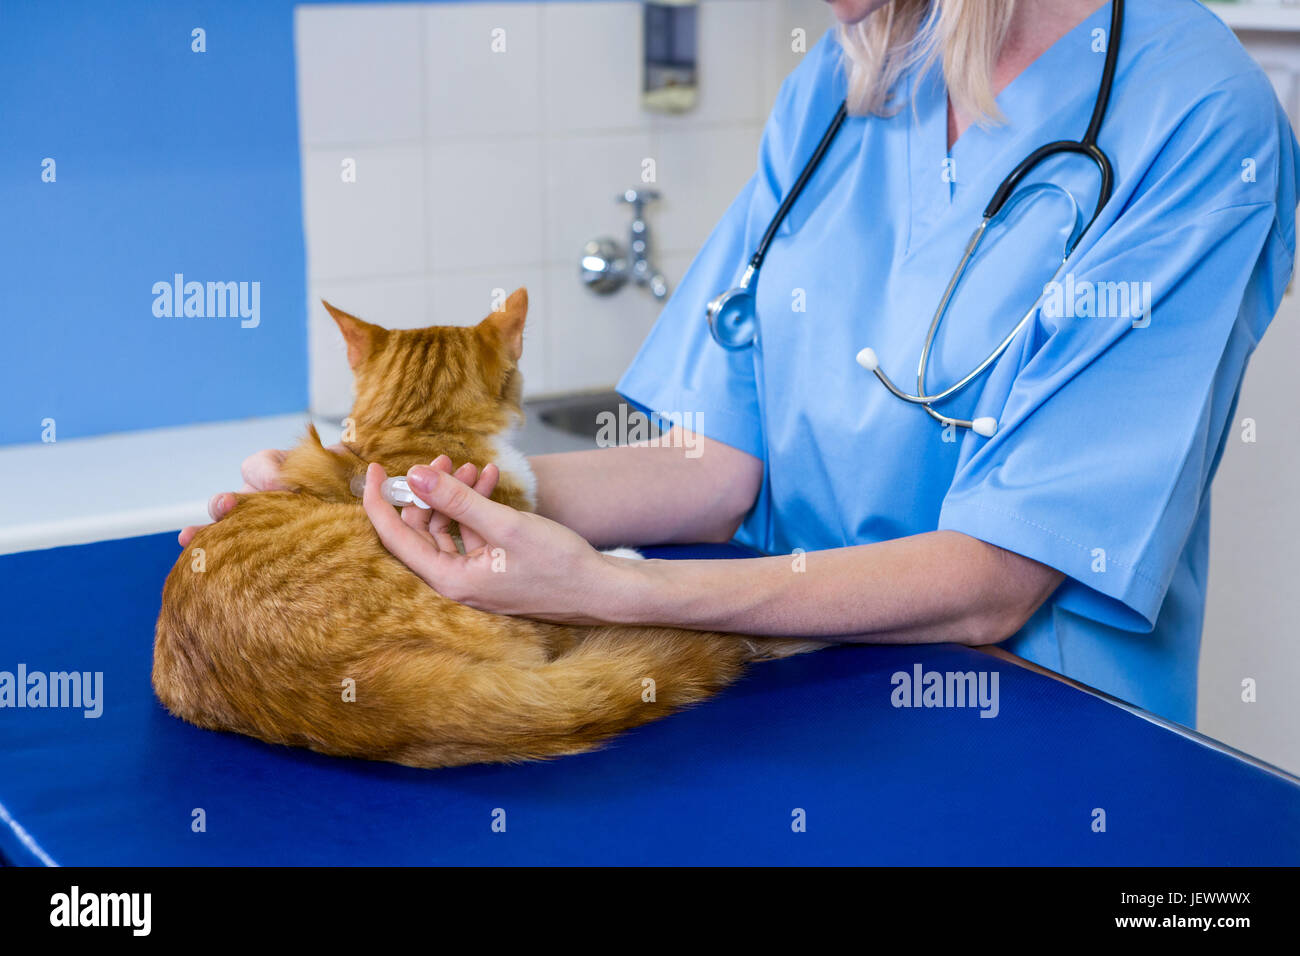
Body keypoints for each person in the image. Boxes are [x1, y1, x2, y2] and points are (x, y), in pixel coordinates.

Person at [183, 0, 1300, 728]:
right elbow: (722, 460)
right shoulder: (848, 79)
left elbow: (999, 578)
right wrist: (405, 495)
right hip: (797, 698)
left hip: (1035, 735)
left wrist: (617, 587)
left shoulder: (1193, 117)